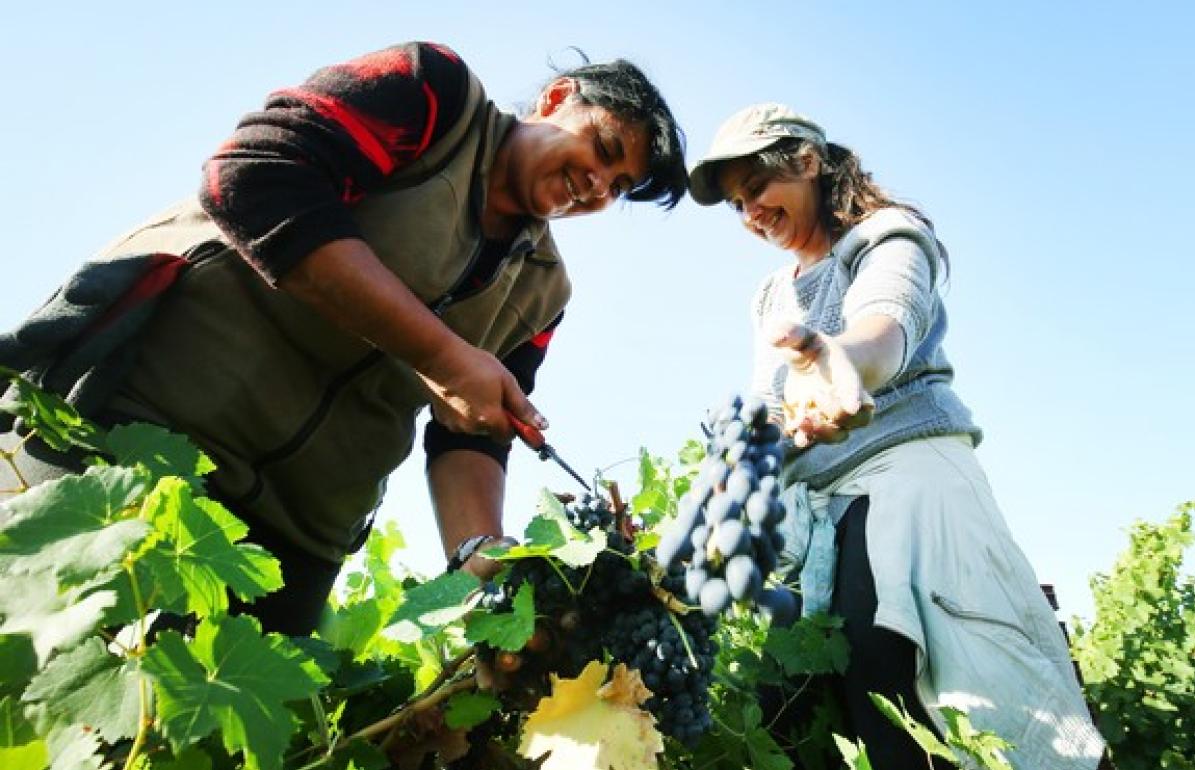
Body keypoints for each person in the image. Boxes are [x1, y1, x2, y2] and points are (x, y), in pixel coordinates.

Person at [0, 41, 687, 636]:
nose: (597, 183)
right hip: (139, 427)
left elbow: (471, 432)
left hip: (292, 539)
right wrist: (443, 354)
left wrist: (485, 563)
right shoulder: (436, 96)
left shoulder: (545, 291)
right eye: (603, 148)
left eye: (618, 186)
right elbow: (252, 177)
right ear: (558, 97)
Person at [687, 104, 1104, 769]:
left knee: (908, 695)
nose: (751, 213)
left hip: (907, 487)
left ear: (805, 162)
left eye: (756, 188)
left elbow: (885, 324)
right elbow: (772, 403)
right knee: (798, 716)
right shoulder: (771, 294)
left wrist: (845, 362)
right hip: (816, 514)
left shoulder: (886, 236)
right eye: (737, 204)